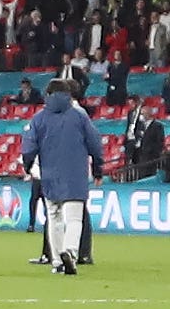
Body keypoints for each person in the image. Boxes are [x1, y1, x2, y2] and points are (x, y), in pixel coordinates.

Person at [22, 76, 102, 275]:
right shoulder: (79, 116)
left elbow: (29, 147)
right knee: (74, 218)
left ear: (47, 94)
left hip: (49, 176)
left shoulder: (39, 118)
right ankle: (70, 252)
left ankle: (57, 260)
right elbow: (95, 144)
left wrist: (27, 166)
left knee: (54, 217)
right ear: (68, 94)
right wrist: (99, 168)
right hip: (75, 175)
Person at [121, 95, 165, 183]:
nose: (141, 116)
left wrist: (154, 152)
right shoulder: (140, 125)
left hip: (150, 156)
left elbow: (160, 142)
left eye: (143, 114)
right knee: (138, 173)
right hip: (139, 153)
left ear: (149, 113)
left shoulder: (158, 126)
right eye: (141, 114)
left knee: (148, 176)